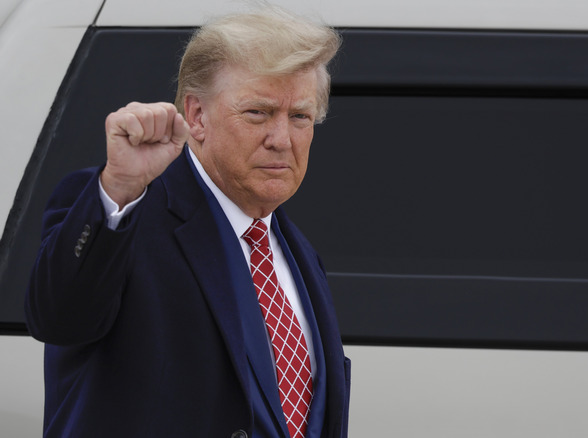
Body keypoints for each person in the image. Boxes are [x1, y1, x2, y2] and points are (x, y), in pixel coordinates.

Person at [25, 5, 349, 438]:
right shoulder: (124, 213)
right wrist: (119, 187)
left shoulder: (298, 254)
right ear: (196, 116)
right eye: (258, 113)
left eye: (300, 117)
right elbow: (59, 319)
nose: (281, 140)